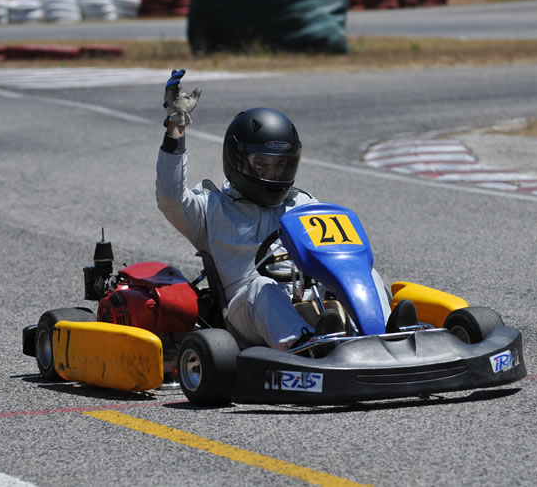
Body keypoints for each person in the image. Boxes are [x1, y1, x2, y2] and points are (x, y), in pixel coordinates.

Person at [155, 69, 393, 352]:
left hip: (308, 297)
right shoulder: (211, 208)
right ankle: (306, 349)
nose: (272, 172)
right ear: (238, 160)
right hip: (246, 314)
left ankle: (388, 337)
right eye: (262, 164)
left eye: (279, 164)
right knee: (262, 288)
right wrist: (176, 126)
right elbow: (169, 198)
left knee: (366, 273)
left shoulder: (303, 204)